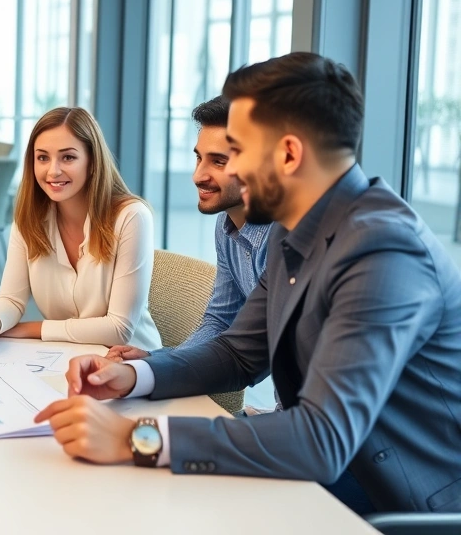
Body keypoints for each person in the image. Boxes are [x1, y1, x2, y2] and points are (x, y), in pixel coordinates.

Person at [34, 52, 461, 514]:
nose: (221, 173)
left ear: (289, 154)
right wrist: (134, 376)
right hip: (339, 465)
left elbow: (322, 438)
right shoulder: (296, 230)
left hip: (399, 498)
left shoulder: (384, 252)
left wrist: (139, 437)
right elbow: (238, 352)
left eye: (236, 151)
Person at [0, 107, 162, 350]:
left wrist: (28, 329)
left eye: (68, 157)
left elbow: (119, 329)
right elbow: (11, 298)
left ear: (93, 162)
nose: (53, 171)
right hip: (66, 356)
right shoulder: (29, 220)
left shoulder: (131, 217)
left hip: (133, 365)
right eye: (43, 157)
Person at [106, 96, 271, 362]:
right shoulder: (226, 225)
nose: (198, 176)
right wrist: (155, 360)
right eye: (199, 158)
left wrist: (160, 367)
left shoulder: (286, 238)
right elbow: (220, 321)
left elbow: (258, 348)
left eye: (219, 162)